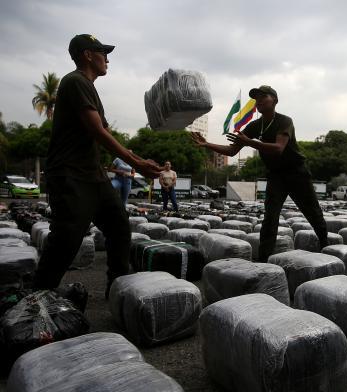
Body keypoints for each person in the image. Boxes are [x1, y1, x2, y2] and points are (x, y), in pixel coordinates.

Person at [33, 34, 162, 298]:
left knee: (119, 226)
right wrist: (136, 162)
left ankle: (117, 288)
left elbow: (101, 131)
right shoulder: (75, 81)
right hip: (70, 175)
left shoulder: (87, 86)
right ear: (87, 55)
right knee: (67, 239)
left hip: (93, 175)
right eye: (102, 52)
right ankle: (37, 299)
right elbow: (97, 131)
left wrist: (134, 157)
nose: (107, 59)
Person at [191, 85, 328, 261]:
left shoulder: (284, 121)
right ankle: (264, 259)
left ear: (275, 100)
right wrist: (207, 144)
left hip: (296, 173)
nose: (259, 101)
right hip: (276, 175)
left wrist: (249, 142)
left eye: (264, 96)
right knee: (270, 218)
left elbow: (279, 148)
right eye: (256, 98)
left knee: (313, 213)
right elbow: (232, 150)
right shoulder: (255, 125)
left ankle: (325, 245)